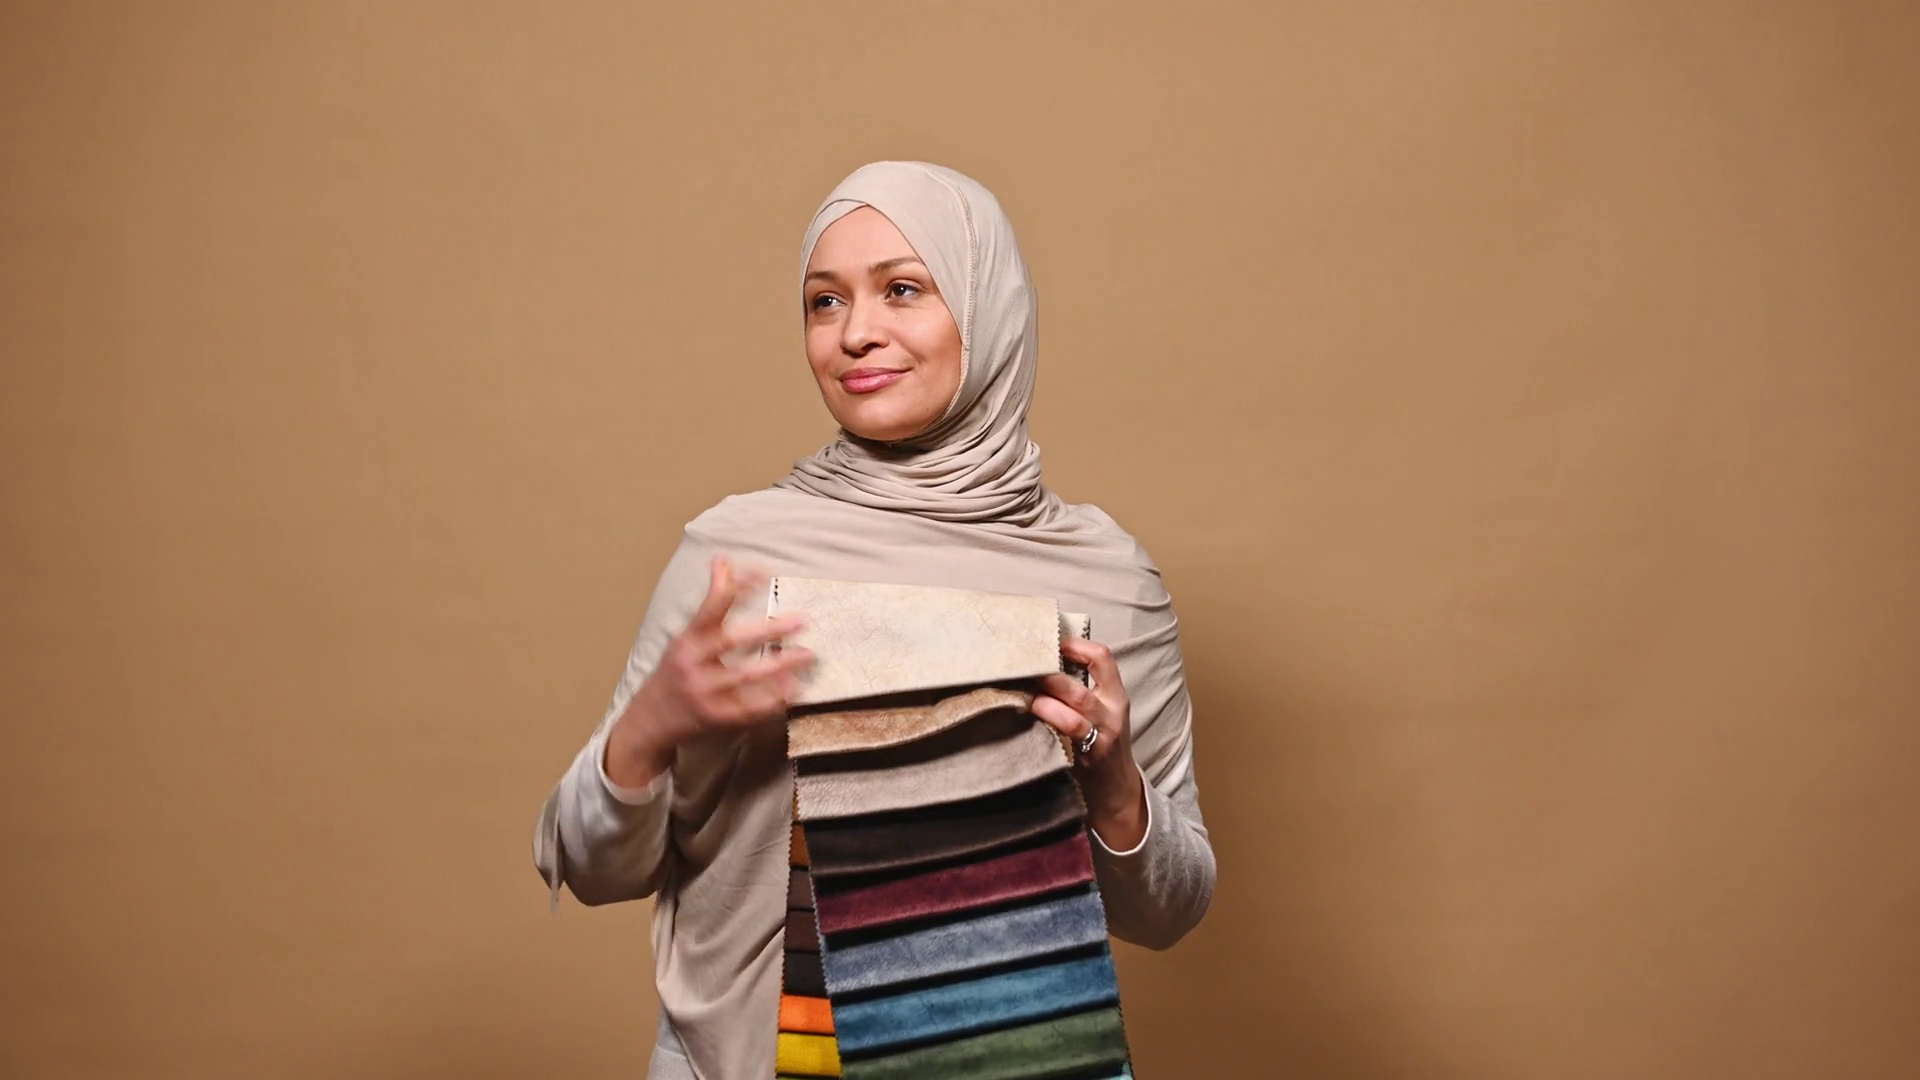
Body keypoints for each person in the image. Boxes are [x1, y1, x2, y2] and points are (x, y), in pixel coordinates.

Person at [532, 161, 1216, 1079]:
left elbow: (1169, 912)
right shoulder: (735, 555)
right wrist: (649, 728)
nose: (855, 332)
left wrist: (1114, 781)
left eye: (902, 289)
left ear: (985, 306)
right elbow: (590, 866)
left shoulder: (1104, 577)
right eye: (825, 301)